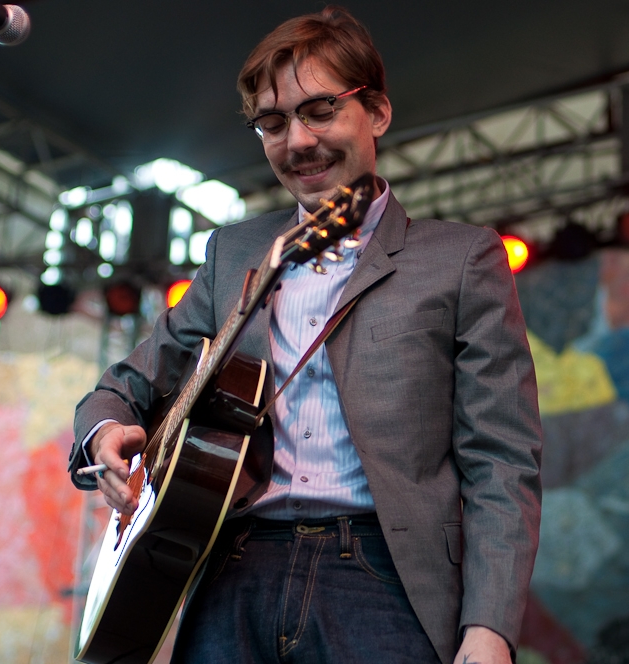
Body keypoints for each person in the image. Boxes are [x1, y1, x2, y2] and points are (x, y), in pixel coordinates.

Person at [67, 7, 542, 663]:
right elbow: (122, 387)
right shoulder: (233, 253)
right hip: (232, 567)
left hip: (384, 574)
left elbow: (502, 460)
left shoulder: (462, 259)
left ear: (376, 111)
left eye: (320, 110)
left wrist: (489, 628)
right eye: (273, 122)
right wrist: (106, 433)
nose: (297, 140)